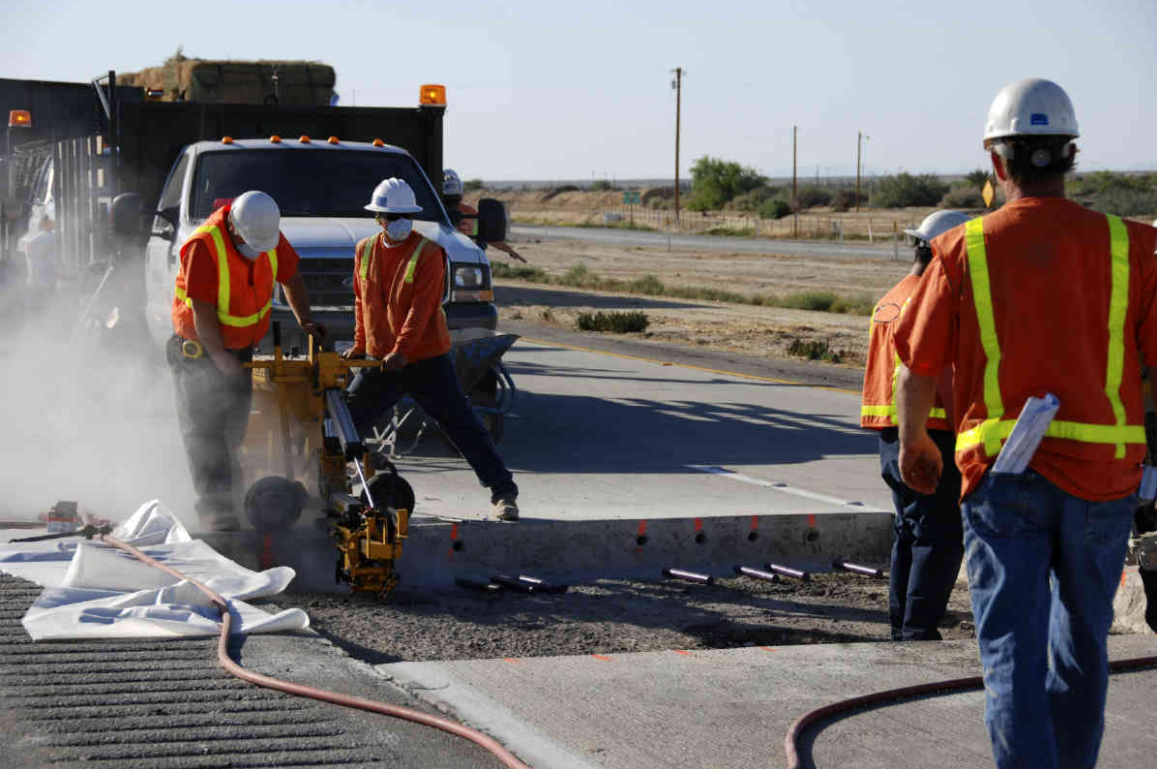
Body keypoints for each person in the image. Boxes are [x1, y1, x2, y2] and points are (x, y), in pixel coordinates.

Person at [892, 78, 1157, 769]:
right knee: (1083, 646)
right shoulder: (1133, 247)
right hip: (1104, 482)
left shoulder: (963, 249)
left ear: (996, 161)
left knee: (1011, 648)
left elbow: (915, 367)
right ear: (1068, 155)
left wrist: (914, 441)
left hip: (1003, 479)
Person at [341, 178, 521, 520]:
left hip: (425, 360)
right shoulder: (364, 250)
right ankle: (339, 480)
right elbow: (362, 301)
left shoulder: (429, 252)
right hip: (382, 361)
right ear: (378, 218)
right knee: (344, 425)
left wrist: (401, 350)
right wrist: (362, 343)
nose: (399, 223)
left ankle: (504, 493)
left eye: (405, 215)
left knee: (462, 425)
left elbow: (420, 310)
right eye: (392, 216)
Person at [168, 191, 322, 532]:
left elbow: (291, 277)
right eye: (252, 244)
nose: (258, 251)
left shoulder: (266, 233)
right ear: (235, 229)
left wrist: (306, 321)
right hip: (198, 350)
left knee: (233, 427)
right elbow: (202, 311)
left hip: (239, 349)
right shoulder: (204, 247)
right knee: (205, 432)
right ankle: (215, 509)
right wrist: (219, 356)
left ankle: (233, 496)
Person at [861, 210, 971, 641]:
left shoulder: (890, 298)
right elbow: (939, 375)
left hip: (892, 435)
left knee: (909, 532)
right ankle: (918, 632)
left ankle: (902, 628)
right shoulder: (932, 302)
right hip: (932, 434)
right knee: (940, 537)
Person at [442, 168, 527, 263]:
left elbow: (487, 235)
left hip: (464, 259)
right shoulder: (429, 213)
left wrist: (509, 250)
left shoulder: (469, 212)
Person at [25, 216, 55, 315]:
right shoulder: (53, 238)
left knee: (39, 299)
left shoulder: (34, 240)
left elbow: (29, 255)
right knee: (47, 297)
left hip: (39, 276)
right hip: (47, 274)